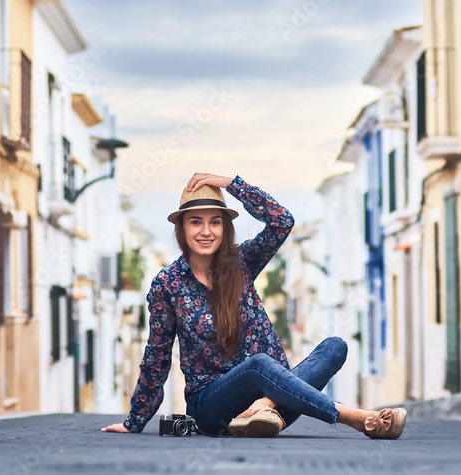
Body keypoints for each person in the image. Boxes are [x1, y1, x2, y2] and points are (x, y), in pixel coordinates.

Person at [101, 172, 407, 439]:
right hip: (212, 407)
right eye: (196, 222)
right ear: (182, 228)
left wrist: (231, 183)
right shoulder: (167, 284)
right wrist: (135, 420)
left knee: (335, 346)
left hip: (275, 405)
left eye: (215, 222)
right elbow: (157, 355)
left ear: (225, 228)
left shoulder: (242, 263)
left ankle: (264, 408)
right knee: (258, 365)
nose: (206, 232)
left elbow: (282, 221)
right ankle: (357, 419)